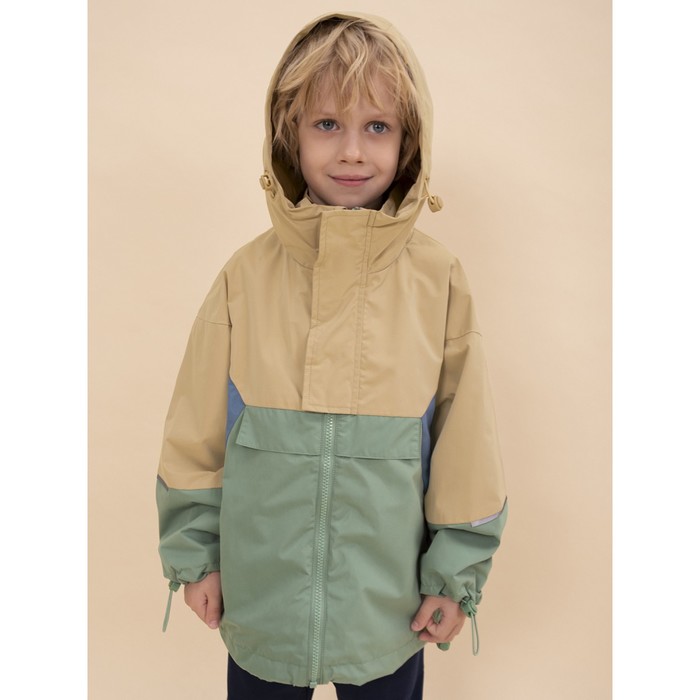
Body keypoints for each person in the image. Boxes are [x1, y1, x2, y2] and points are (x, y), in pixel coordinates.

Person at [156, 12, 507, 699]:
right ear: (289, 134)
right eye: (327, 124)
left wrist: (454, 574)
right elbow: (194, 431)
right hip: (261, 601)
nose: (352, 151)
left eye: (377, 126)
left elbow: (466, 440)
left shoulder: (438, 280)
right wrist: (196, 556)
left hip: (388, 611)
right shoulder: (244, 277)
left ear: (408, 141)